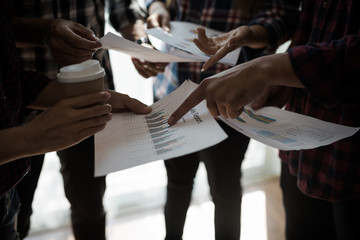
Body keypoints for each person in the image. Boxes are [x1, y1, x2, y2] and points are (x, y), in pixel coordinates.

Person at [168, 0, 360, 239]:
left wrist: (268, 69)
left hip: (350, 159)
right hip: (301, 140)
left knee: (225, 191)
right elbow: (308, 21)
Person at [9, 1, 164, 239]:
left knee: (89, 205)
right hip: (16, 102)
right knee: (17, 208)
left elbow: (122, 4)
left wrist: (138, 41)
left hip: (89, 94)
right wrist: (45, 31)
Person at [145, 0, 299, 239]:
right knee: (177, 182)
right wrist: (157, 6)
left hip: (228, 107)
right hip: (172, 95)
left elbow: (283, 16)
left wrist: (249, 33)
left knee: (225, 192)